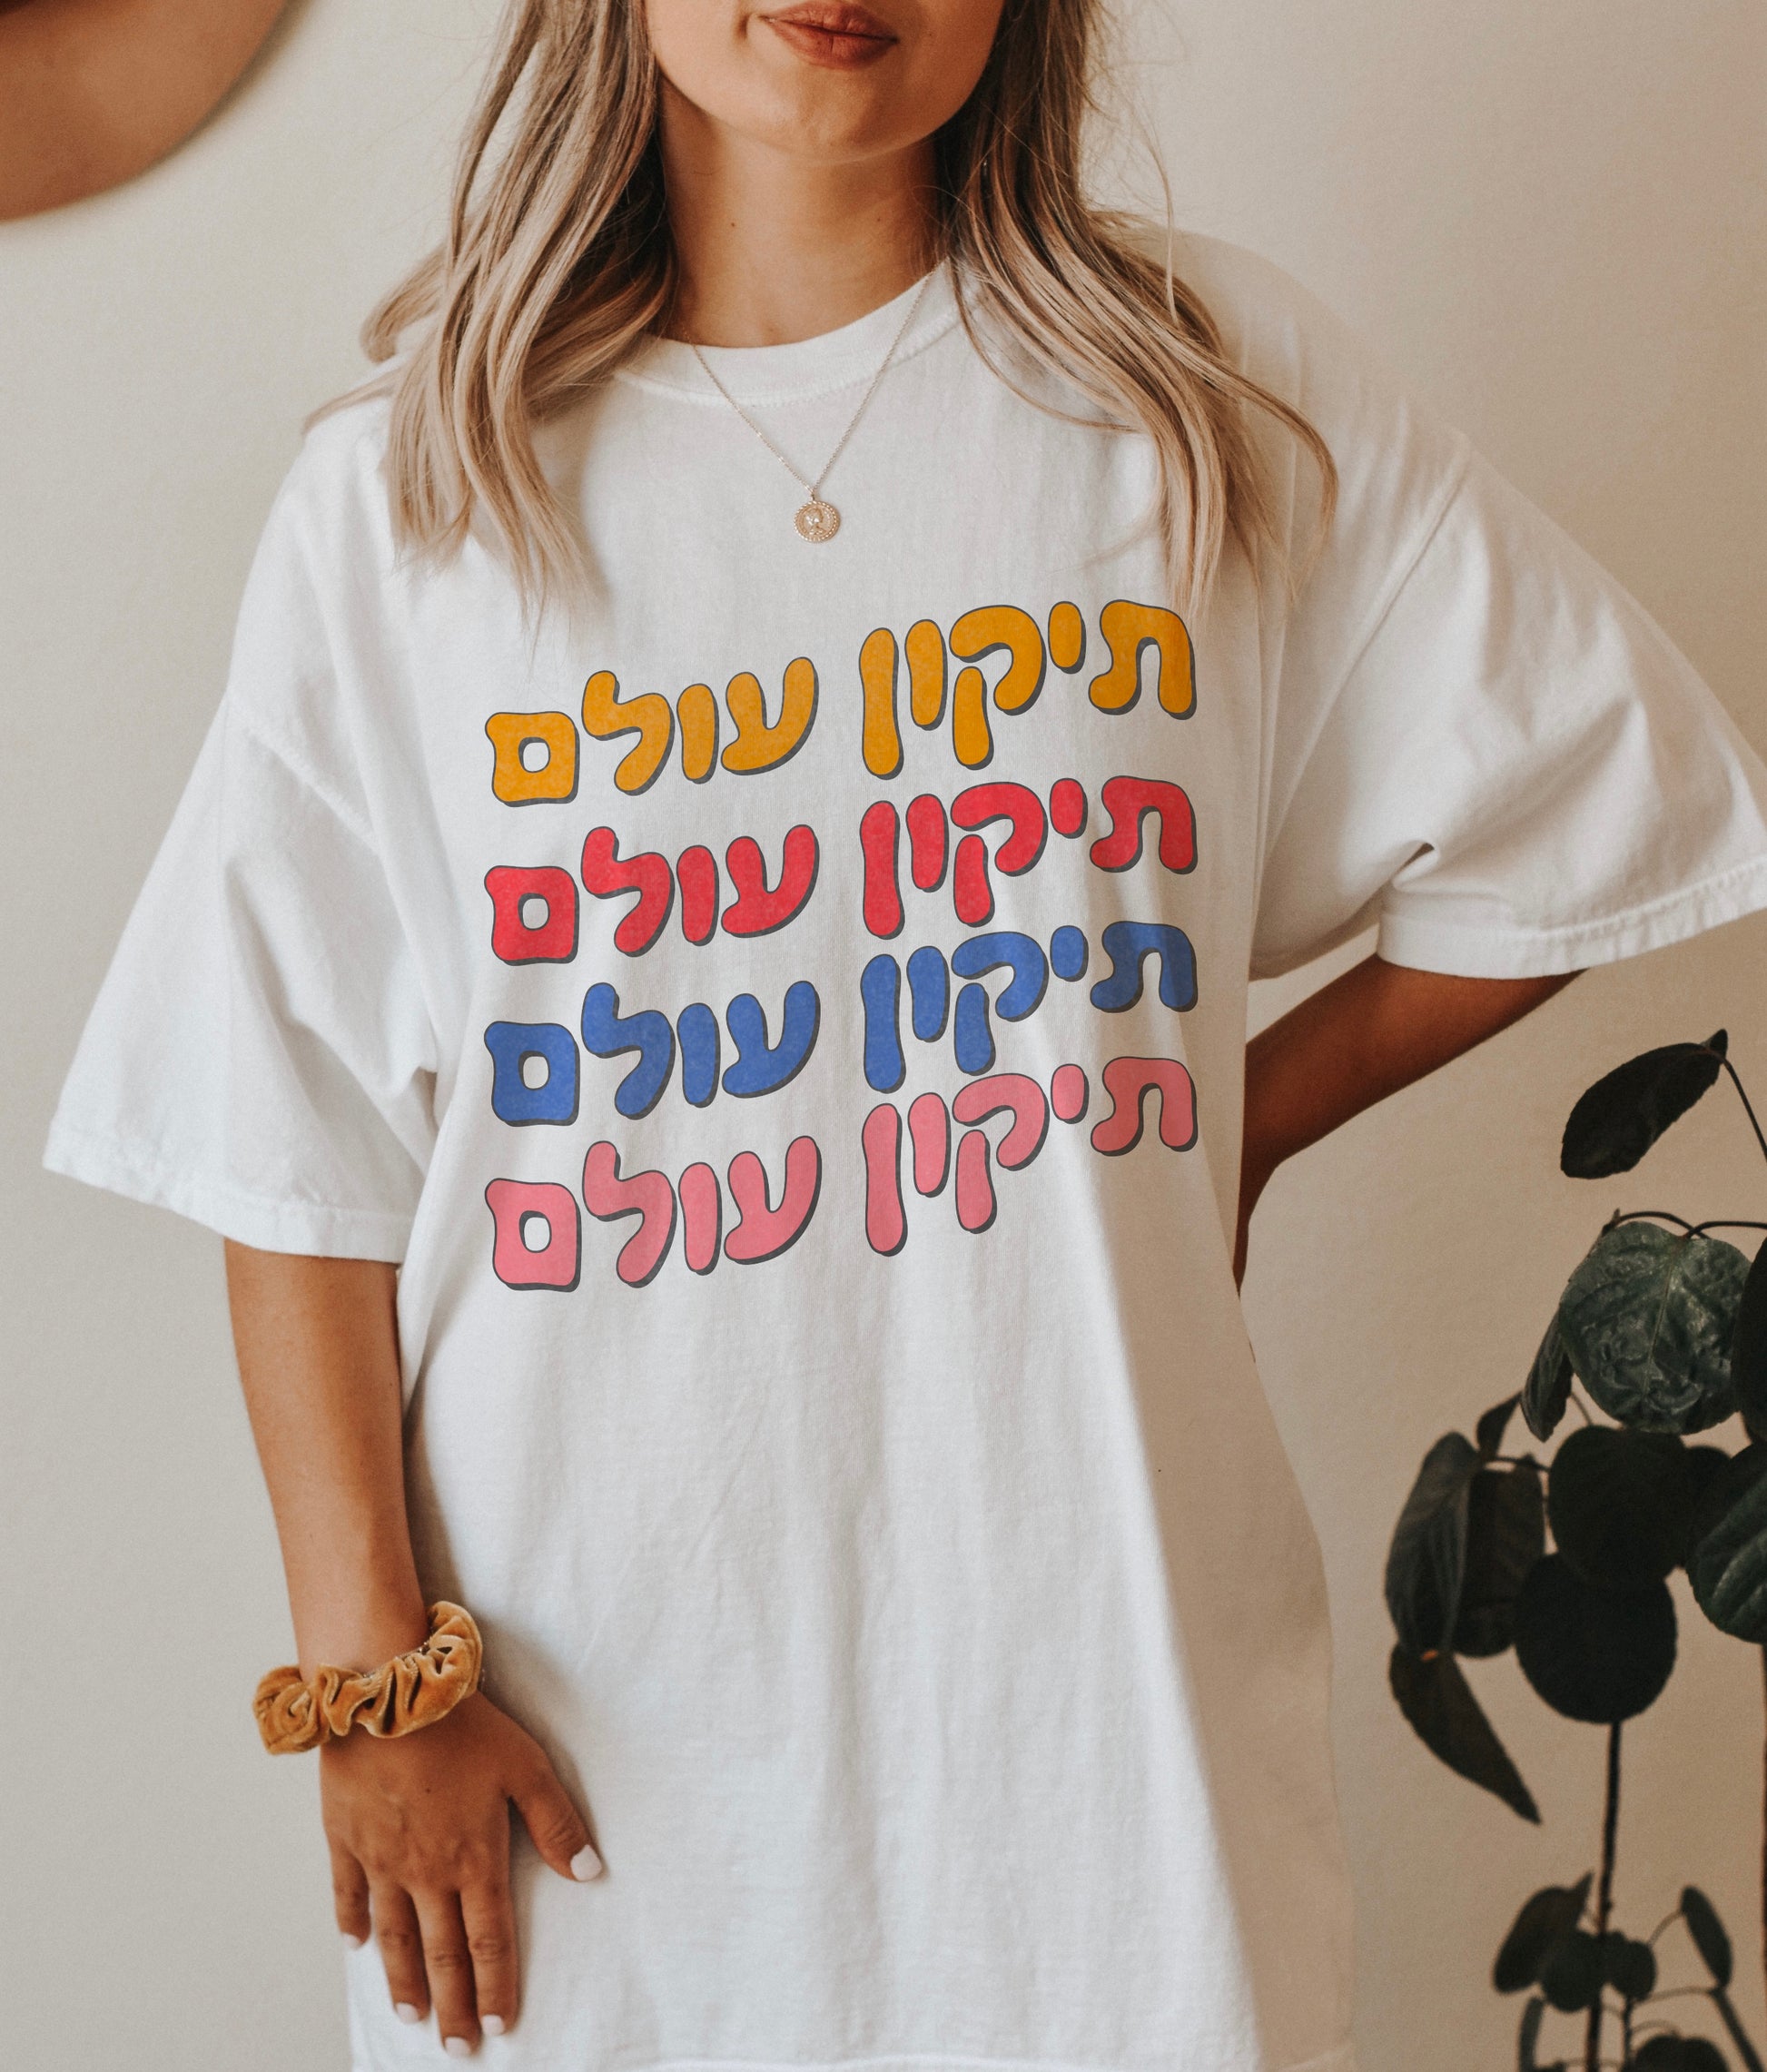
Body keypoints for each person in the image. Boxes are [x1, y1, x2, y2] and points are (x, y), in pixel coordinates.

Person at [44, 0, 1767, 2067]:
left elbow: (1593, 799)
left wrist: (1234, 1121)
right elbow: (287, 1132)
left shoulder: (1200, 405)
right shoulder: (417, 501)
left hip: (1103, 1758)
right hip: (584, 1779)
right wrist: (368, 1684)